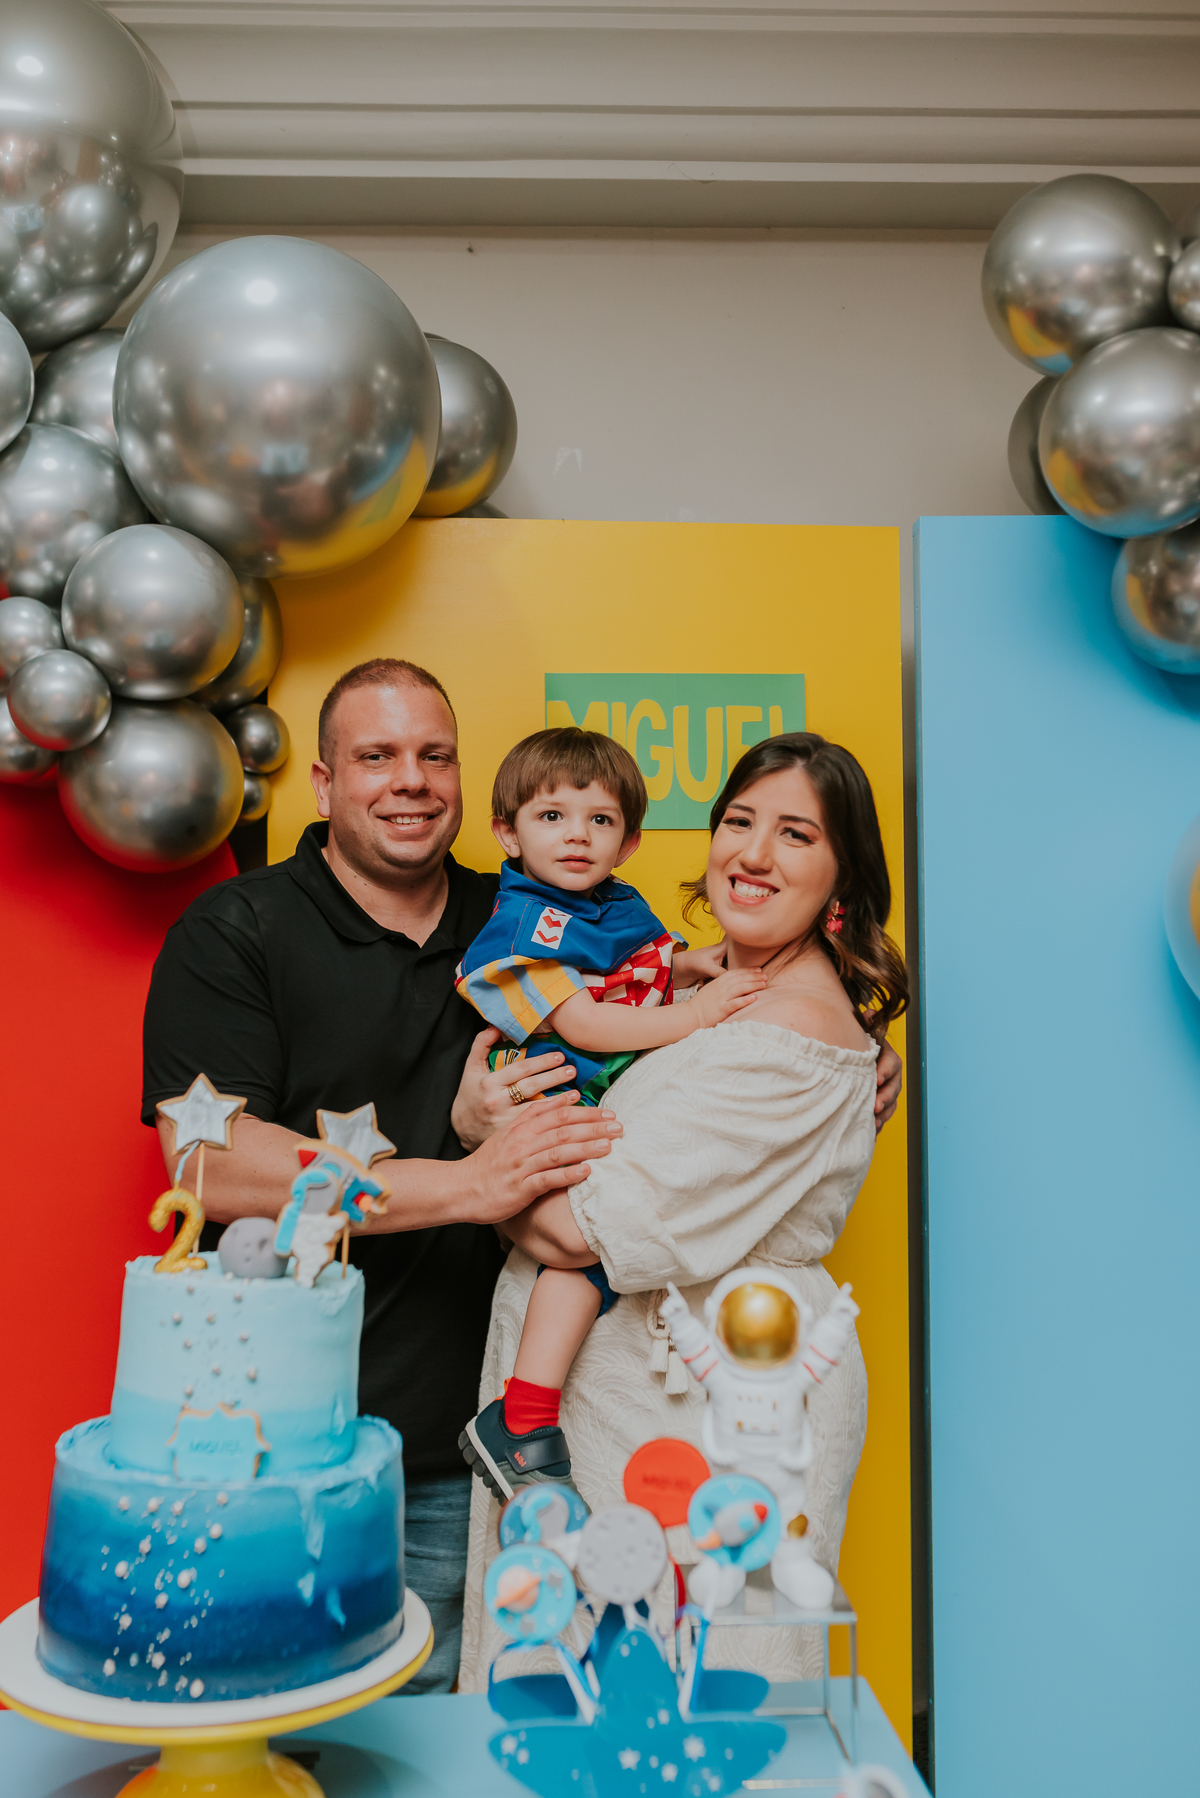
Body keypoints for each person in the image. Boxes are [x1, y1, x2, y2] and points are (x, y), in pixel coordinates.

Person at [140, 662, 903, 1691]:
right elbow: (209, 1159)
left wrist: (836, 1044)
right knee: (298, 1733)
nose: (410, 780)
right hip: (308, 1446)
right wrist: (467, 1174)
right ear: (320, 784)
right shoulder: (240, 931)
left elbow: (699, 1030)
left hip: (502, 1442)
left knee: (511, 1726)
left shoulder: (545, 906)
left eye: (434, 755)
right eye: (377, 757)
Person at [458, 730, 908, 1688]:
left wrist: (484, 1166)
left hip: (698, 1419)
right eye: (739, 821)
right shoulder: (725, 992)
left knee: (691, 1713)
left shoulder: (786, 1035)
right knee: (582, 1710)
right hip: (623, 1417)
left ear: (842, 882)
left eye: (795, 835)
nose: (752, 852)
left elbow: (579, 1229)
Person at [454, 726, 765, 1498]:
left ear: (628, 842)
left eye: (600, 821)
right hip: (555, 1092)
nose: (576, 836)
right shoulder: (517, 929)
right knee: (587, 1242)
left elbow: (647, 968)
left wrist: (697, 966)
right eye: (552, 817)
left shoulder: (612, 904)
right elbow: (586, 1024)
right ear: (508, 833)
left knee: (613, 1248)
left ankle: (533, 1412)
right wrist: (700, 1014)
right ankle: (521, 1418)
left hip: (611, 1084)